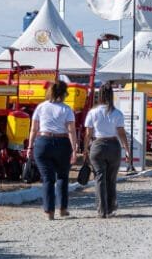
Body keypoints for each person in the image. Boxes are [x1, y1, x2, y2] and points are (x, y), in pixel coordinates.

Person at [27, 80, 78, 220]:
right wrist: (74, 149)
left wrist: (30, 146)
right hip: (62, 143)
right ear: (64, 93)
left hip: (43, 142)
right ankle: (62, 208)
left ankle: (49, 212)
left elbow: (33, 129)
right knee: (62, 176)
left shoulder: (41, 107)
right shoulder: (67, 109)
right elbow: (71, 131)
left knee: (47, 179)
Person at [82, 83, 132, 218]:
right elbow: (121, 133)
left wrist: (85, 148)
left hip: (97, 146)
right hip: (113, 146)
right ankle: (111, 208)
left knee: (99, 178)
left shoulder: (92, 112)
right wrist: (127, 149)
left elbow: (88, 133)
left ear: (100, 95)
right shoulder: (117, 113)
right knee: (111, 178)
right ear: (112, 95)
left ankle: (102, 210)